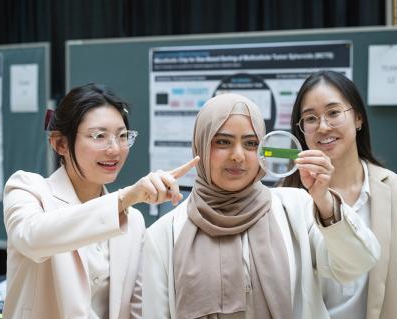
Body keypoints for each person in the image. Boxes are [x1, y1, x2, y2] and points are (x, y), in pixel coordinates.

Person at [142, 93, 381, 319]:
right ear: (201, 147)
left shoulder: (296, 209)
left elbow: (358, 263)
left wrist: (325, 201)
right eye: (223, 142)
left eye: (250, 143)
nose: (238, 156)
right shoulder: (165, 234)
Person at [2, 83, 198, 319]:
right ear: (60, 143)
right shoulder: (27, 188)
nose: (114, 149)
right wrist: (125, 198)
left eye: (122, 136)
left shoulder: (133, 221)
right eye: (99, 136)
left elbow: (137, 309)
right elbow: (33, 238)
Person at [282, 70, 397, 319]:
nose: (323, 126)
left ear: (358, 118)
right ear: (301, 131)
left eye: (334, 112)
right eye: (310, 118)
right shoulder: (286, 199)